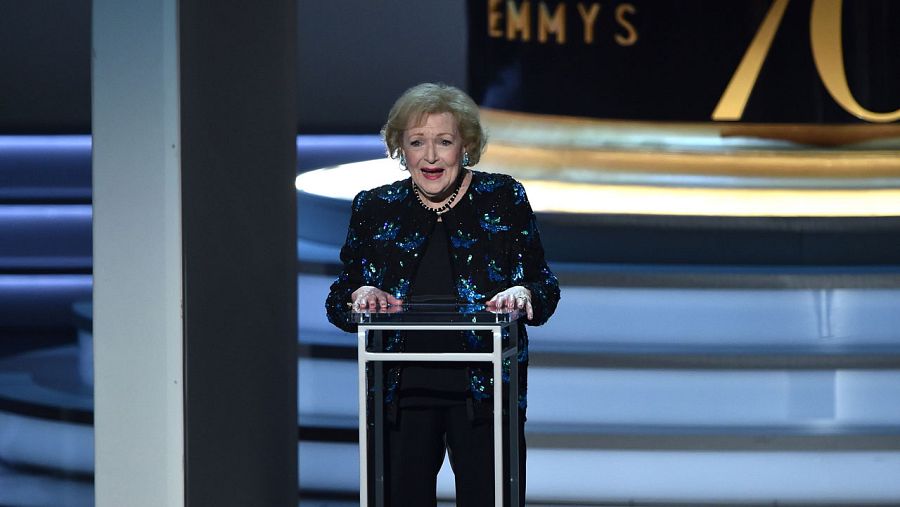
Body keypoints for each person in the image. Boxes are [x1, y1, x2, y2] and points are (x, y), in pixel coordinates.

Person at [325, 82, 560, 507]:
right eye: (417, 142)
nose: (431, 156)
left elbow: (544, 289)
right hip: (401, 395)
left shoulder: (503, 198)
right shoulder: (375, 207)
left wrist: (523, 292)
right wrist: (360, 294)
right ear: (401, 148)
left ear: (465, 145)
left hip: (484, 396)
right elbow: (340, 299)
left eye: (444, 142)